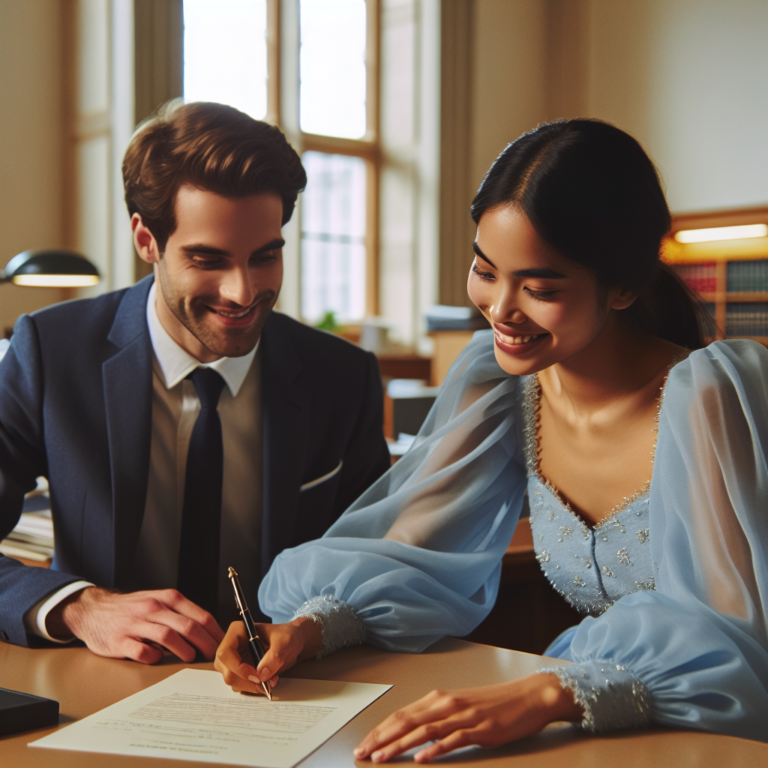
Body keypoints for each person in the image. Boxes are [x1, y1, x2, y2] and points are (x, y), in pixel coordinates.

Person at [215, 118, 768, 760]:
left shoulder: (708, 396)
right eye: (485, 270)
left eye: (539, 288)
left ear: (623, 285)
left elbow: (739, 647)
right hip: (638, 740)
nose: (501, 309)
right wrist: (304, 630)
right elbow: (409, 550)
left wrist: (548, 694)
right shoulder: (502, 386)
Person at [0, 101, 390, 664]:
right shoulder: (53, 353)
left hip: (295, 689)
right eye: (208, 259)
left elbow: (377, 564)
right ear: (145, 240)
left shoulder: (342, 376)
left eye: (265, 256)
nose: (242, 292)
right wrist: (79, 607)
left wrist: (314, 626)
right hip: (103, 684)